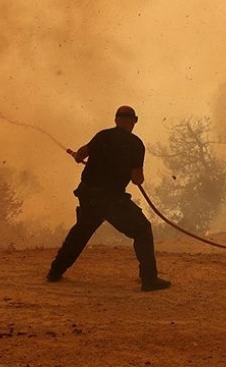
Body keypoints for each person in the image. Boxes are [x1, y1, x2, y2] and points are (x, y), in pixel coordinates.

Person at [46, 105, 171, 292]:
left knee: (81, 232)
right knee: (142, 230)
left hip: (88, 194)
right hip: (112, 199)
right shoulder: (136, 144)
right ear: (133, 121)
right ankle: (149, 280)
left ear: (116, 120)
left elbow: (81, 153)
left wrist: (78, 157)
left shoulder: (102, 136)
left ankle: (55, 272)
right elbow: (137, 179)